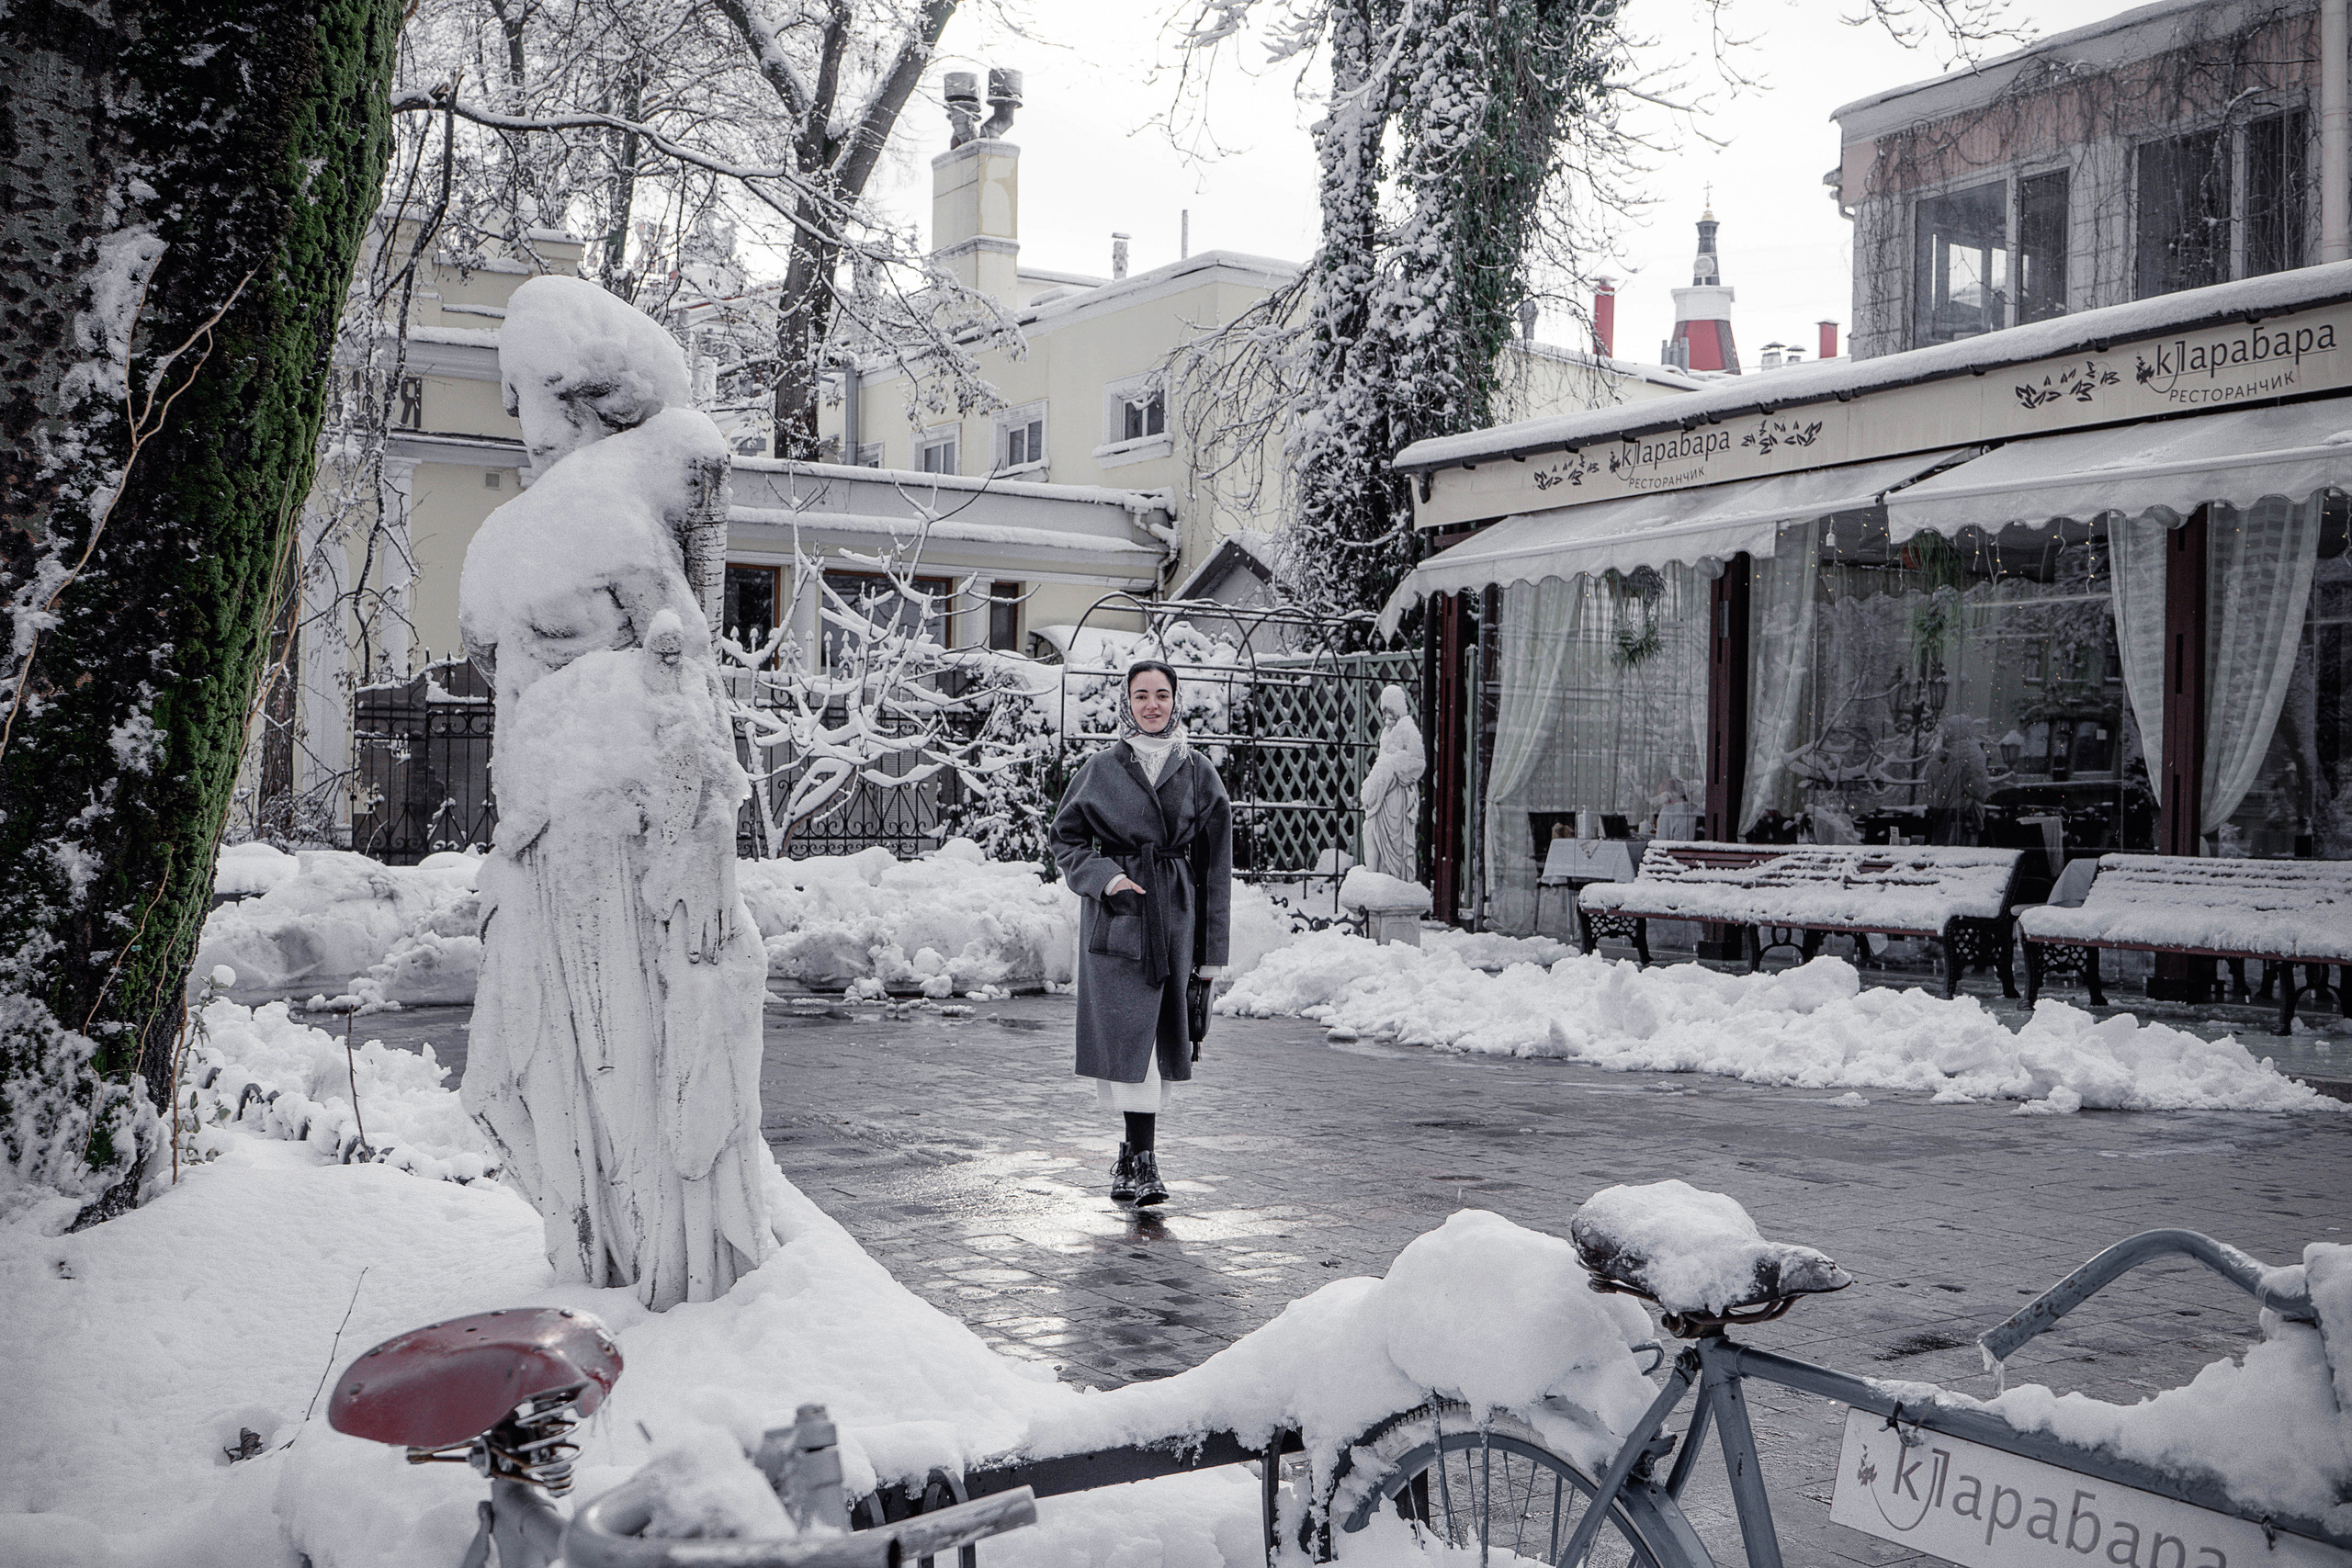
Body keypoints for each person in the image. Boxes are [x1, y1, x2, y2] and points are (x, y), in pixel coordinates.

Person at [1049, 660, 1234, 1206]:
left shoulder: (1199, 772)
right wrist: (1107, 880)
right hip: (1120, 919)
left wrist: (1211, 954)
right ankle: (1142, 1161)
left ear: (1176, 701)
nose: (1151, 705)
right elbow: (1065, 840)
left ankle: (1134, 1156)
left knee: (1156, 1042)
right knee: (1132, 1042)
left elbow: (1216, 867)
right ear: (1126, 702)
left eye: (1161, 695)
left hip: (1175, 918)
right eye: (1140, 695)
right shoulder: (1101, 769)